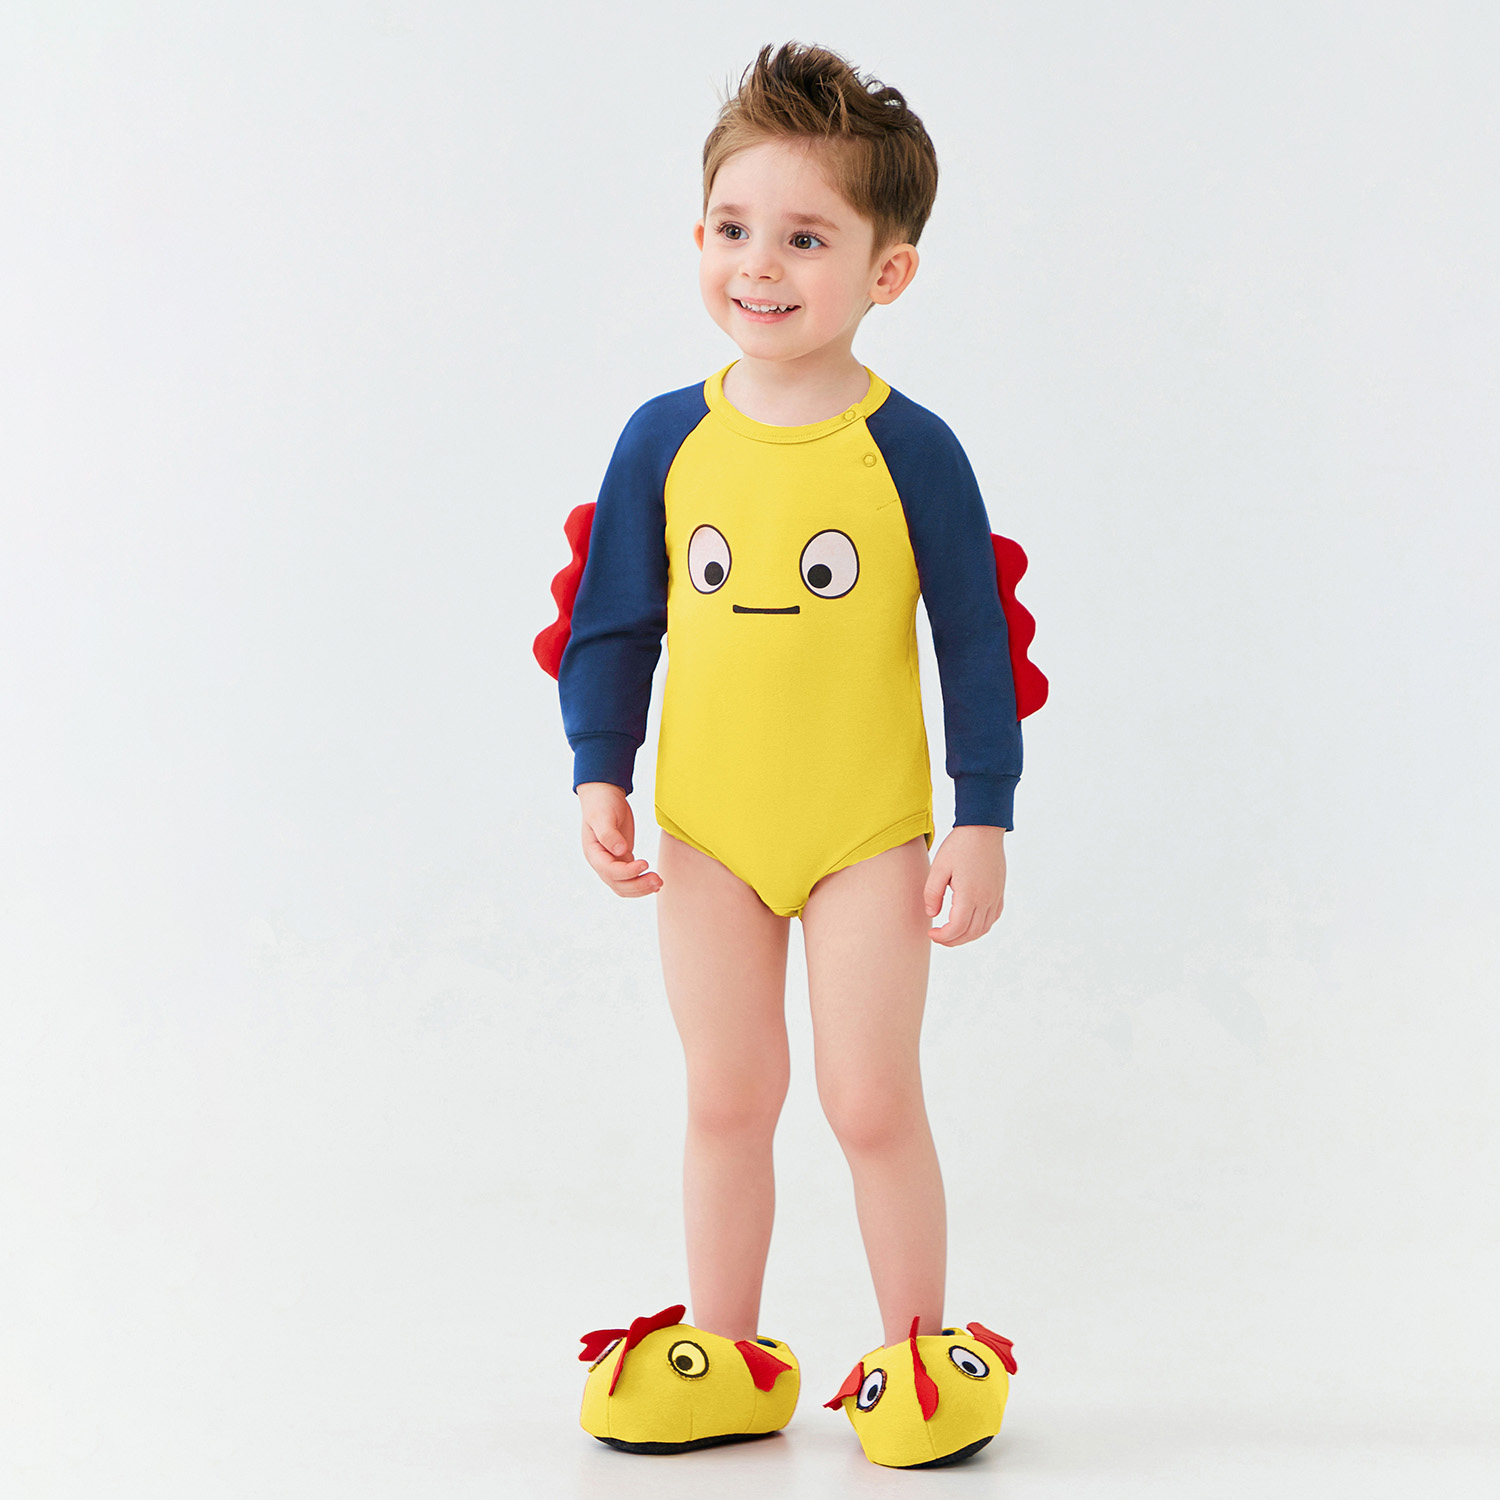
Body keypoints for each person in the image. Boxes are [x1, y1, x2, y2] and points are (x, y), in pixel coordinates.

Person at [537, 41, 1041, 1469]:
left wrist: (984, 813)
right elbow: (614, 621)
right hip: (706, 833)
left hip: (865, 836)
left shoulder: (913, 451)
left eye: (807, 238)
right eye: (734, 228)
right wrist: (599, 769)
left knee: (869, 1100)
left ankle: (921, 1353)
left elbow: (974, 643)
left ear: (889, 271)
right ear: (700, 236)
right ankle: (728, 1349)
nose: (760, 264)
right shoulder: (662, 440)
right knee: (727, 1096)